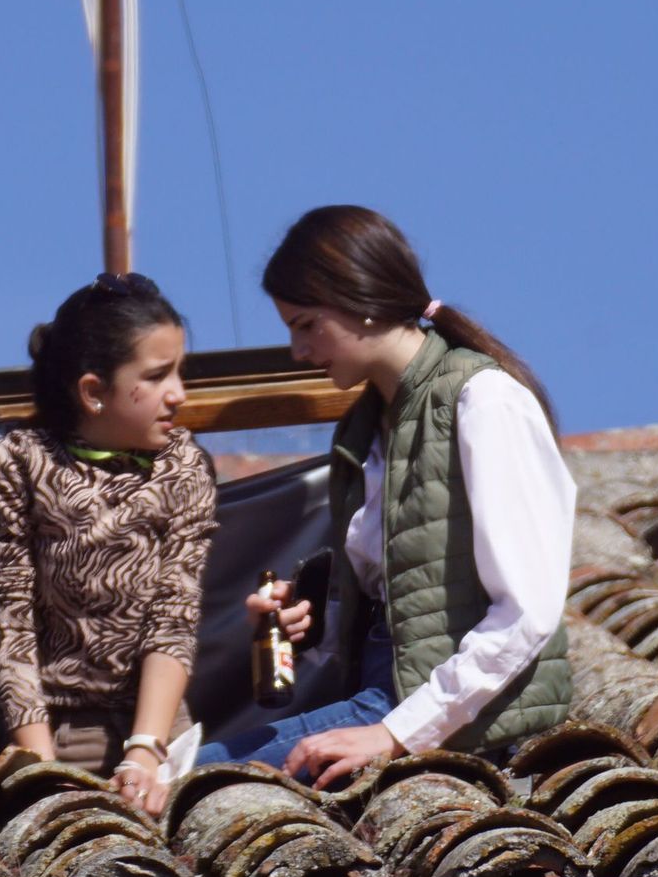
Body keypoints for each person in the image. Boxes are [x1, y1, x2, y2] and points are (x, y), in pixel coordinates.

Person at [196, 206, 575, 788]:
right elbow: (406, 602)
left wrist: (398, 734)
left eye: (305, 324)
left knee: (182, 787)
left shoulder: (484, 400)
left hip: (452, 720)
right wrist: (312, 618)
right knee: (179, 780)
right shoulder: (363, 429)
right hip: (387, 699)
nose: (298, 350)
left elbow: (527, 612)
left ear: (361, 302)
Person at [0, 272, 217, 815]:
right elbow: (8, 619)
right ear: (93, 391)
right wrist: (41, 771)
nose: (178, 394)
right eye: (157, 377)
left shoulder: (183, 463)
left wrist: (145, 754)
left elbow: (175, 615)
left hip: (156, 731)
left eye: (180, 372)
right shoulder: (20, 461)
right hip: (56, 734)